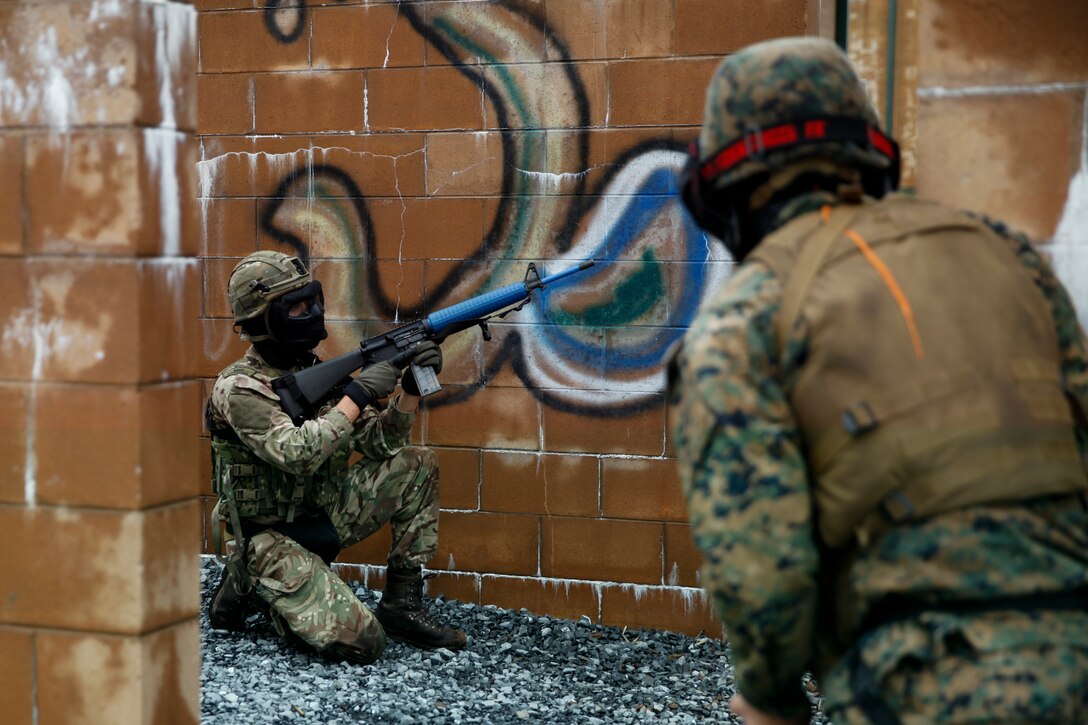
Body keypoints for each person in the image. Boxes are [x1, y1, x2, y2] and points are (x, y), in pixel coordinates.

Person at [669, 37, 1088, 724]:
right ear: (869, 148)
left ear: (723, 185)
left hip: (921, 680)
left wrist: (768, 697)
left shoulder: (742, 320)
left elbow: (763, 569)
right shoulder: (1010, 256)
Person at [206, 250, 466, 664]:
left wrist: (411, 390)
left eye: (311, 301)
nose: (309, 312)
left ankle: (401, 605)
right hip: (264, 536)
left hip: (322, 514)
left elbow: (381, 445)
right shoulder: (239, 388)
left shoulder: (318, 376)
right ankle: (248, 581)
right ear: (262, 319)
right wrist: (358, 393)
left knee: (417, 464)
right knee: (363, 642)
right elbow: (297, 454)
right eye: (295, 306)